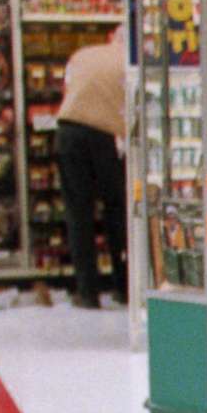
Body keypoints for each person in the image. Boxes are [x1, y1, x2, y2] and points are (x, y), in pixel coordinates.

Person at [53, 29, 129, 309]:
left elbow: (67, 91)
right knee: (117, 213)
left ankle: (87, 292)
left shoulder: (81, 56)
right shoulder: (131, 62)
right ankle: (124, 288)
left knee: (78, 215)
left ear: (110, 37)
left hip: (69, 133)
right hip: (106, 139)